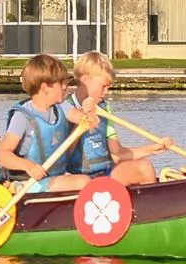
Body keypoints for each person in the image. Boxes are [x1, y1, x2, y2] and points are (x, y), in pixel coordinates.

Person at [0, 53, 95, 193]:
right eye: (61, 83)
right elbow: (3, 156)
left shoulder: (61, 106)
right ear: (45, 87)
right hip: (28, 182)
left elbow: (80, 117)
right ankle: (16, 187)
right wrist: (29, 166)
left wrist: (88, 115)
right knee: (84, 181)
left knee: (87, 180)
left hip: (53, 177)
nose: (66, 87)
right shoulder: (22, 116)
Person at [64, 51, 170, 186]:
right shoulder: (65, 108)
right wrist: (82, 121)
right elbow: (62, 157)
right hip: (76, 178)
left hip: (105, 173)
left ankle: (151, 204)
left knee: (144, 167)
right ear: (85, 80)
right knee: (83, 182)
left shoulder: (104, 109)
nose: (106, 92)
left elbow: (117, 154)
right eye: (103, 86)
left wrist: (152, 149)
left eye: (108, 87)